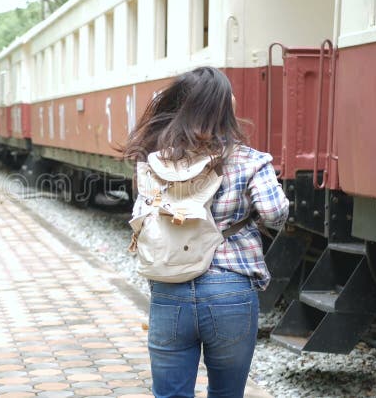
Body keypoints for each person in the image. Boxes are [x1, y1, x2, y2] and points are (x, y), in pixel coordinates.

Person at [122, 66, 289, 398]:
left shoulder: (158, 160)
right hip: (231, 289)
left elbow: (143, 214)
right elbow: (274, 213)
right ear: (226, 106)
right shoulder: (250, 160)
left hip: (171, 290)